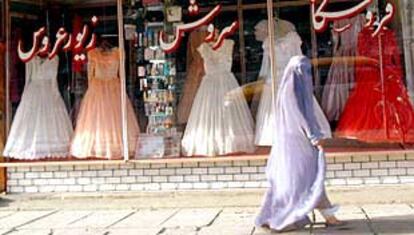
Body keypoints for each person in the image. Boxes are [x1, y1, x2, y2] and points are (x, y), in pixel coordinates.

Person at [255, 56, 344, 232]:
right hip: (300, 143)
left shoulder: (287, 89)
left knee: (307, 178)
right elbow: (302, 116)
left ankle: (329, 215)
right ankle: (283, 219)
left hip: (291, 142)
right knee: (304, 179)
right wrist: (313, 135)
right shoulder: (294, 92)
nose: (307, 75)